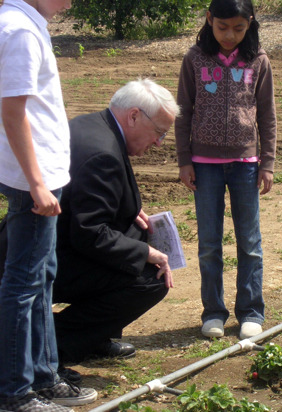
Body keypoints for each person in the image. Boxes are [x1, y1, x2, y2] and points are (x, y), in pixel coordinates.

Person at [0, 0, 98, 411]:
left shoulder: (26, 23)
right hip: (32, 180)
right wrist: (37, 183)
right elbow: (12, 110)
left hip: (40, 176)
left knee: (41, 276)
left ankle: (42, 376)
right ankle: (16, 393)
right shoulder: (19, 29)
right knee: (24, 283)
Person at [52, 78, 179, 365]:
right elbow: (90, 233)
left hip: (46, 242)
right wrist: (148, 253)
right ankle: (52, 345)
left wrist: (125, 209)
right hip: (48, 258)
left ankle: (95, 334)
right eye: (159, 132)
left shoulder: (92, 125)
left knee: (136, 230)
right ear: (134, 116)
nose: (159, 142)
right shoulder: (103, 154)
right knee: (151, 279)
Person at [175, 0, 276, 340]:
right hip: (205, 167)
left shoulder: (258, 59)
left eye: (238, 28)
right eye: (221, 28)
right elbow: (183, 113)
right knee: (208, 244)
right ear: (209, 19)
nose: (229, 35)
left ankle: (250, 311)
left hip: (246, 166)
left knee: (249, 243)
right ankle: (213, 312)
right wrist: (184, 160)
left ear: (250, 23)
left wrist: (268, 162)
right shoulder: (194, 59)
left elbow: (267, 115)